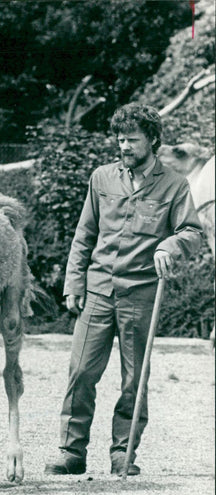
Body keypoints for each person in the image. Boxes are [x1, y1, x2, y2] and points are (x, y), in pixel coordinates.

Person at [45, 103, 202, 476]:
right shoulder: (101, 178)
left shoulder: (175, 185)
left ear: (153, 140)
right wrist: (74, 282)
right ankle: (71, 452)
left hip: (141, 294)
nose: (124, 146)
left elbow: (192, 232)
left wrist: (170, 246)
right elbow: (84, 235)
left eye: (132, 139)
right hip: (98, 291)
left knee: (134, 379)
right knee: (81, 371)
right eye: (119, 138)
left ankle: (123, 453)